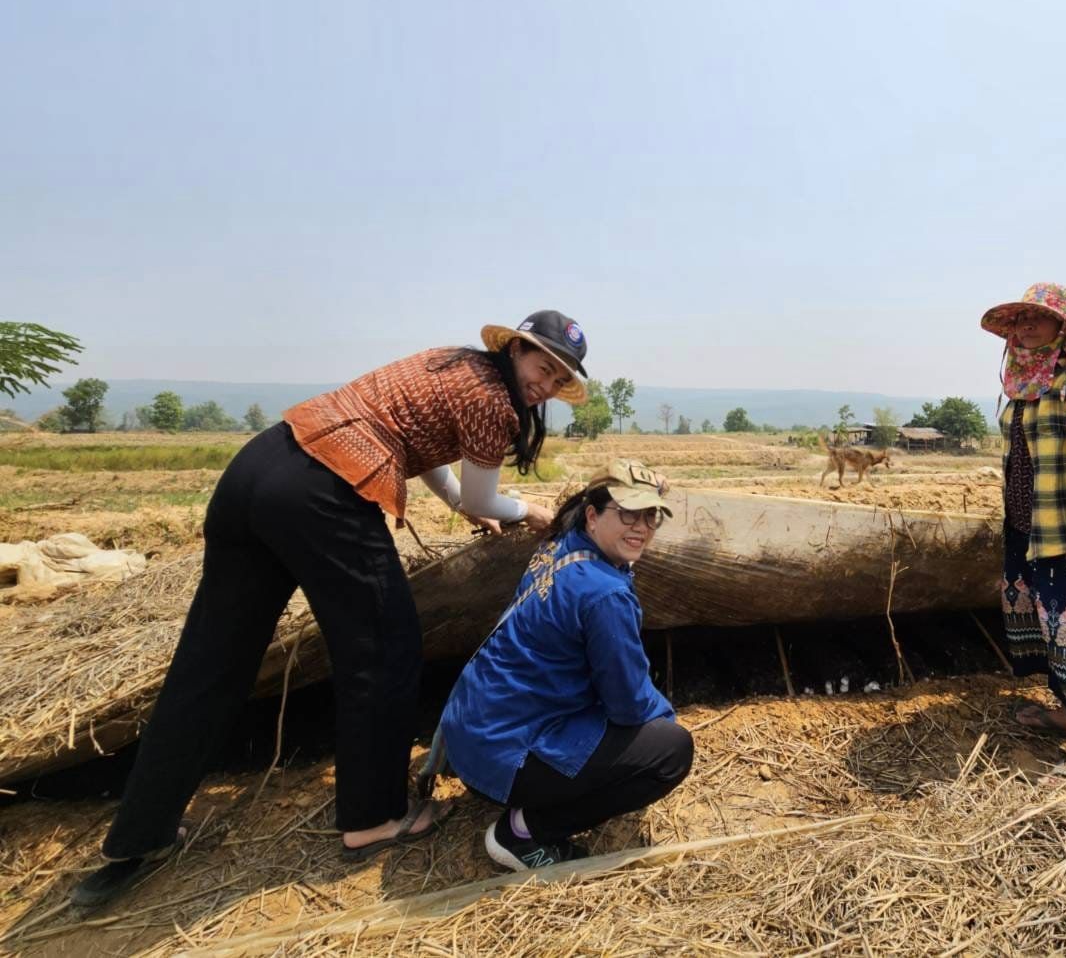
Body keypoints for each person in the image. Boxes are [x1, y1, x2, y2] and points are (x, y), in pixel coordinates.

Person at [71, 310, 590, 909]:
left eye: (558, 380)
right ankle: (373, 818)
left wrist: (462, 504)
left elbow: (420, 448)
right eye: (542, 367)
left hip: (258, 468)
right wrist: (527, 511)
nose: (545, 385)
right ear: (516, 350)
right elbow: (483, 493)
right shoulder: (493, 399)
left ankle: (140, 834)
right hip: (322, 493)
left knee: (211, 663)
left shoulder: (449, 362)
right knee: (385, 649)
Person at [437, 459, 693, 871]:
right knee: (671, 751)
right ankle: (522, 832)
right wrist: (663, 723)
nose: (642, 527)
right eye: (627, 513)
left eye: (651, 516)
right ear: (592, 516)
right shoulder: (605, 594)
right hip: (507, 757)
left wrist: (649, 489)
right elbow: (629, 705)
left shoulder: (560, 545)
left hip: (474, 741)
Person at [980, 283, 1066, 786]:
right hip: (1025, 526)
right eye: (1018, 321)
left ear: (1062, 326)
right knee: (1045, 625)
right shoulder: (1024, 380)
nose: (1024, 329)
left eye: (1035, 320)